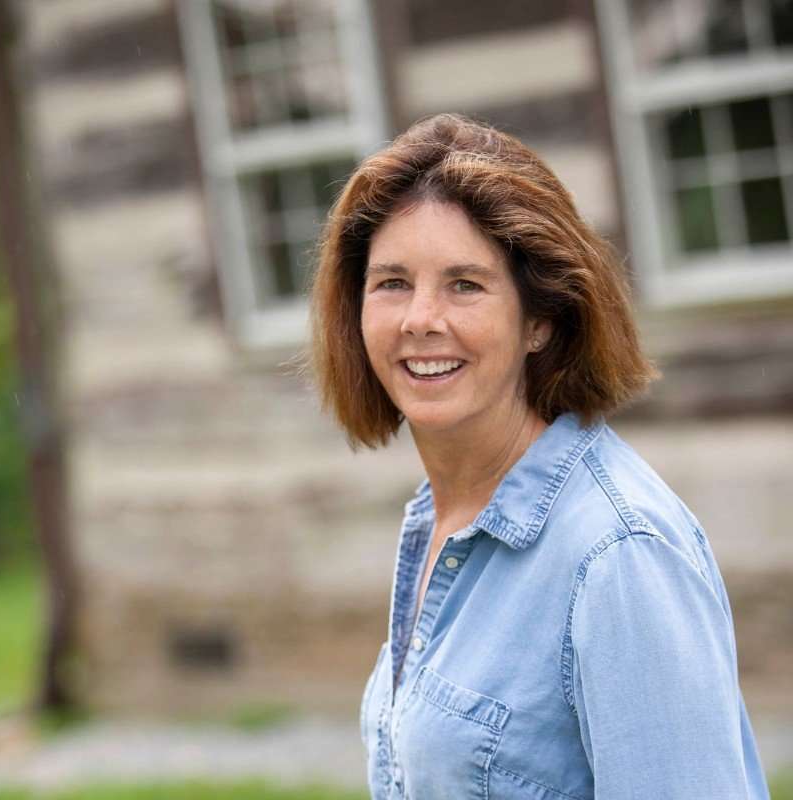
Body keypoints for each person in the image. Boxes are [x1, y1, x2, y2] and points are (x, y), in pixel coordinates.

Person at [309, 113, 770, 799]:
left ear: (540, 319)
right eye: (392, 283)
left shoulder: (617, 554)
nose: (420, 319)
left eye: (465, 284)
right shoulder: (438, 522)